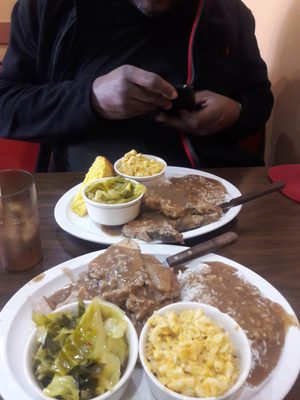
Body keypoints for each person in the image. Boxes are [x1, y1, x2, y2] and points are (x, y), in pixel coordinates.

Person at [0, 0, 274, 171]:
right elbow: (6, 105)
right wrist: (90, 99)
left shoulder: (230, 14)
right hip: (82, 201)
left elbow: (260, 99)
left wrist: (236, 112)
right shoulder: (48, 8)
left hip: (209, 197)